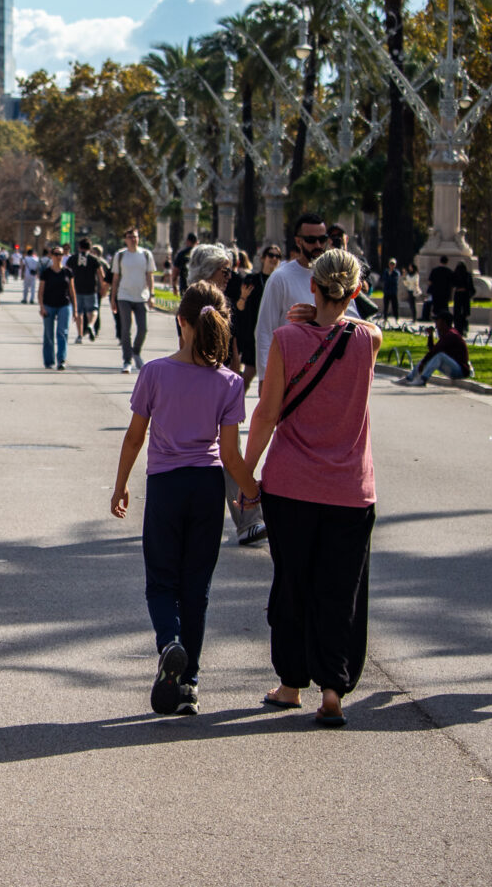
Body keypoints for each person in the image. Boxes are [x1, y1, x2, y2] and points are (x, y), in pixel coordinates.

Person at [245, 248, 383, 728]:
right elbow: (356, 324)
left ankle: (290, 685)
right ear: (357, 291)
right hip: (351, 490)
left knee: (293, 583)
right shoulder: (371, 340)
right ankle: (333, 687)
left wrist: (246, 474)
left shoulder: (286, 339)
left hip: (291, 486)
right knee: (340, 589)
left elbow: (265, 413)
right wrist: (329, 311)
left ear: (312, 287)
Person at [110, 281, 257, 716]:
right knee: (197, 588)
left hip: (167, 487)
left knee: (161, 581)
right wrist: (254, 492)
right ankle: (188, 684)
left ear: (181, 321)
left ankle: (169, 642)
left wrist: (120, 485)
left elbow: (135, 437)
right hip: (208, 488)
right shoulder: (230, 383)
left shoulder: (154, 372)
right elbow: (230, 455)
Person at [190, 244, 267, 547]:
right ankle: (249, 518)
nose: (230, 276)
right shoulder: (198, 303)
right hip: (208, 386)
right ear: (209, 270)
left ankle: (248, 519)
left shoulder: (216, 300)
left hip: (220, 385)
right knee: (225, 455)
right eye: (225, 270)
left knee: (225, 453)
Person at [254, 213, 356, 381]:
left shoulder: (337, 275)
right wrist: (265, 377)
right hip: (291, 373)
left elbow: (353, 321)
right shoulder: (280, 278)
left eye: (322, 239)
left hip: (330, 372)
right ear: (298, 241)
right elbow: (265, 330)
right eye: (311, 240)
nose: (318, 245)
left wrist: (321, 315)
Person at [112, 228, 157, 374]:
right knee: (126, 329)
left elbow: (150, 275)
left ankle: (136, 351)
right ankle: (127, 360)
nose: (133, 239)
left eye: (135, 237)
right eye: (130, 237)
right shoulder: (120, 256)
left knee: (143, 328)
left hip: (141, 296)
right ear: (125, 239)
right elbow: (116, 278)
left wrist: (152, 295)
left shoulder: (145, 254)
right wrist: (113, 298)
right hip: (124, 295)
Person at [235, 245, 280, 388]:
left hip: (275, 335)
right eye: (270, 255)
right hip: (253, 334)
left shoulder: (280, 282)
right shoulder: (251, 280)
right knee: (247, 377)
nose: (273, 259)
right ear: (263, 258)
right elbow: (239, 308)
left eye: (277, 256)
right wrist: (243, 297)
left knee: (271, 382)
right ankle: (234, 407)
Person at [395, 311, 470, 386]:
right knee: (434, 356)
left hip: (460, 371)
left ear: (444, 322)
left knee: (439, 356)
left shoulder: (451, 335)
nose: (435, 323)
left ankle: (422, 379)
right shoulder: (446, 334)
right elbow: (433, 350)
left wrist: (423, 363)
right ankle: (409, 378)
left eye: (437, 320)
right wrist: (430, 336)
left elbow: (435, 351)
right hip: (453, 368)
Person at [38, 245, 77, 370]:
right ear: (51, 256)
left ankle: (61, 360)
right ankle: (49, 361)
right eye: (56, 254)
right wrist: (42, 307)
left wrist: (75, 309)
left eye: (60, 254)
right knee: (48, 334)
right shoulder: (46, 272)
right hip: (49, 305)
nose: (58, 256)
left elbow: (72, 291)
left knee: (62, 332)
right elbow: (40, 291)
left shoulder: (67, 272)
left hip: (64, 305)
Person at [67, 237, 104, 342]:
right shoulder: (94, 259)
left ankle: (79, 335)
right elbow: (101, 274)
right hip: (91, 289)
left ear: (79, 247)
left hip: (77, 288)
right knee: (93, 310)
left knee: (79, 313)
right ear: (90, 248)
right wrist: (104, 287)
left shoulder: (73, 258)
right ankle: (91, 325)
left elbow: (67, 270)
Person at [426, 255, 452, 323]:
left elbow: (429, 282)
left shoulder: (434, 270)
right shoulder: (449, 272)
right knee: (444, 309)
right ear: (447, 262)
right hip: (445, 294)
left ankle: (437, 323)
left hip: (436, 293)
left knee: (436, 310)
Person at [452, 261, 474, 333]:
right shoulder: (467, 275)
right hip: (465, 295)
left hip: (458, 295)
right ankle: (464, 326)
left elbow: (453, 284)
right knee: (464, 312)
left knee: (457, 312)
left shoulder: (455, 275)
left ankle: (458, 327)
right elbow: (471, 286)